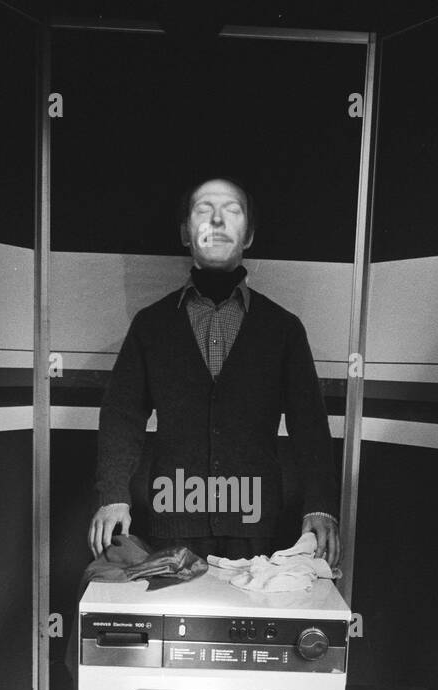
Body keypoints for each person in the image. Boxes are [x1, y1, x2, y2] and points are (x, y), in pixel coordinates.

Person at [87, 176, 340, 567]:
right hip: (175, 512)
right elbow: (122, 414)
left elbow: (310, 422)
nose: (218, 221)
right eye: (204, 210)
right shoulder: (151, 326)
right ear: (186, 233)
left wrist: (321, 504)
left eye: (233, 211)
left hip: (254, 519)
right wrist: (113, 495)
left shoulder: (282, 329)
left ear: (249, 235)